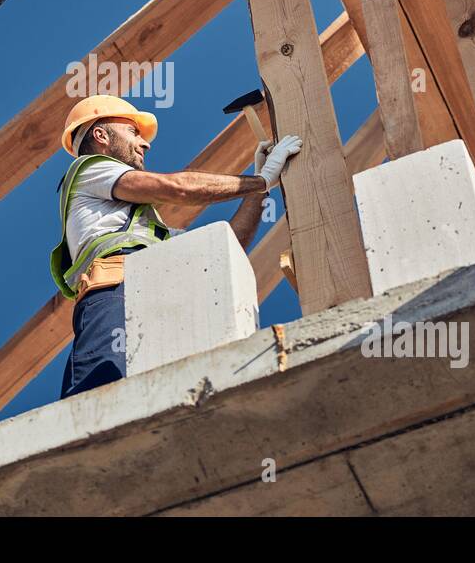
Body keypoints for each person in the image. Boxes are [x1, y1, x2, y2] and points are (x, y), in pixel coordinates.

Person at [49, 94, 302, 399]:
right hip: (116, 294)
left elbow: (227, 245)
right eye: (132, 132)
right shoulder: (90, 168)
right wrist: (259, 181)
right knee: (101, 393)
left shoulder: (147, 233)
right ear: (101, 135)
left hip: (148, 299)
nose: (145, 144)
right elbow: (178, 188)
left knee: (154, 399)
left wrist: (258, 191)